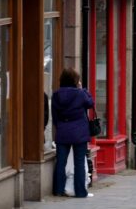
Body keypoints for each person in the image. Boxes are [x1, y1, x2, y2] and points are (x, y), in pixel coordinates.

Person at [52, 68, 94, 198]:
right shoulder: (80, 94)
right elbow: (90, 103)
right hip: (79, 132)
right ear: (76, 81)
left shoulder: (56, 95)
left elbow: (55, 116)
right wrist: (83, 90)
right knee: (79, 163)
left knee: (61, 162)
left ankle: (58, 190)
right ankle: (80, 192)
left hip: (63, 131)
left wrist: (60, 126)